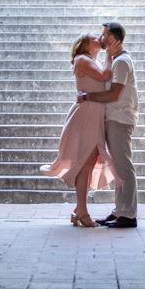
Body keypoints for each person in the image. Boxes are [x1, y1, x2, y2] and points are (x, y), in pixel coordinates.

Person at [39, 34, 114, 228]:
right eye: (93, 38)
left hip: (93, 114)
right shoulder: (82, 59)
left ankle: (78, 210)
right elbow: (105, 76)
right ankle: (82, 211)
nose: (99, 39)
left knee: (87, 164)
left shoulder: (91, 60)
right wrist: (110, 55)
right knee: (85, 164)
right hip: (87, 115)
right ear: (84, 44)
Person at [76, 18, 137, 227]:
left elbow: (114, 93)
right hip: (113, 117)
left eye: (104, 34)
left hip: (120, 118)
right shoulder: (116, 59)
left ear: (112, 38)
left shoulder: (121, 61)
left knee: (123, 167)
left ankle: (128, 215)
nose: (101, 38)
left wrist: (87, 97)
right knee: (119, 167)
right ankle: (120, 210)